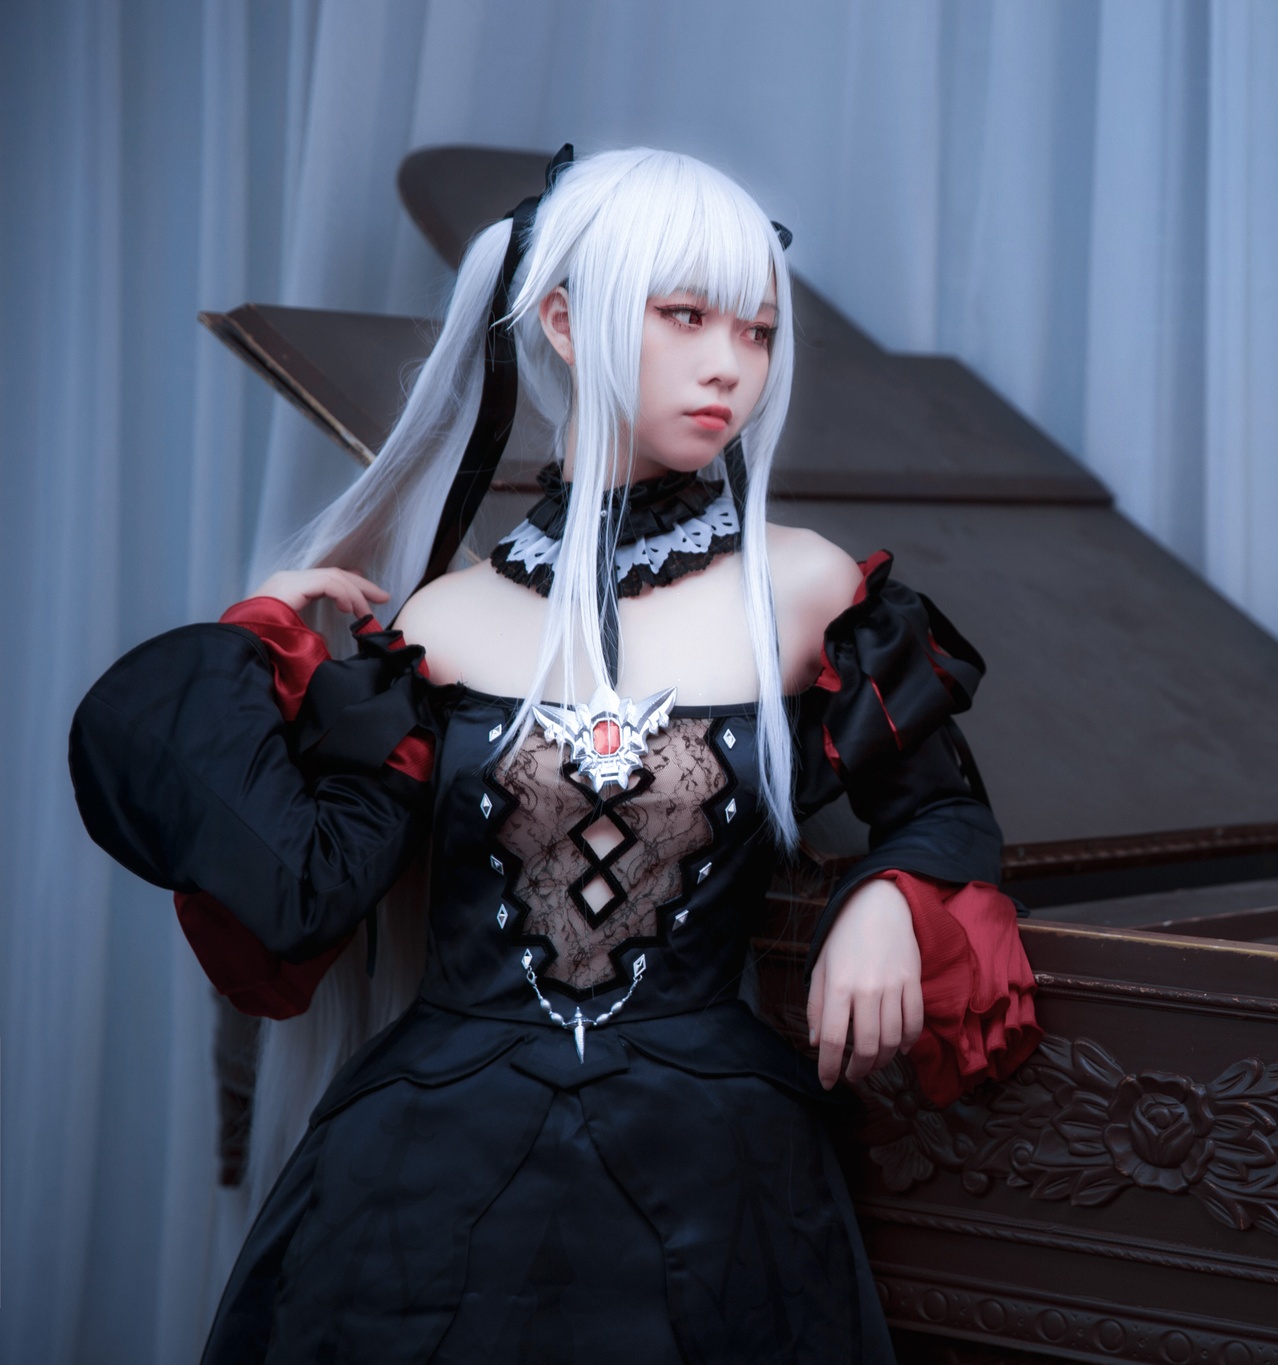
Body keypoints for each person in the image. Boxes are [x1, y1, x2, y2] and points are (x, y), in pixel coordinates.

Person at [69, 145, 1038, 1363]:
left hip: (715, 1171)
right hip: (420, 1177)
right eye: (684, 316)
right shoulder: (438, 624)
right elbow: (305, 890)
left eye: (756, 329)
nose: (729, 364)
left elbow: (944, 815)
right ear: (566, 323)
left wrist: (890, 899)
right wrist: (257, 641)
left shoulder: (803, 590)